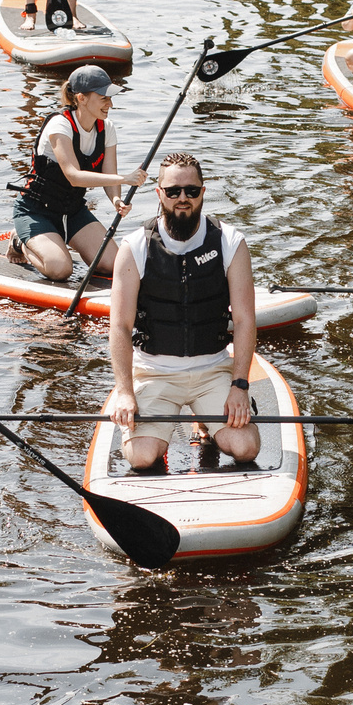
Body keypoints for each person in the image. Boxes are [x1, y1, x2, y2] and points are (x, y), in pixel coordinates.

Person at [103, 152, 260, 474]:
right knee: (142, 457)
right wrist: (124, 393)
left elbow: (245, 321)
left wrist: (239, 386)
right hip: (155, 372)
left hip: (213, 370)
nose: (183, 198)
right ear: (159, 194)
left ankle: (204, 419)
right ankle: (168, 427)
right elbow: (119, 326)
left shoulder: (231, 242)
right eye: (173, 191)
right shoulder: (134, 247)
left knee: (245, 449)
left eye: (191, 190)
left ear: (203, 191)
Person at [12, 64, 146, 279]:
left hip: (73, 211)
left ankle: (57, 241)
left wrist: (117, 200)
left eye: (110, 98)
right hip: (36, 211)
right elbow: (73, 176)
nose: (110, 104)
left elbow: (109, 174)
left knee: (114, 264)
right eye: (104, 98)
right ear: (81, 98)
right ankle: (20, 241)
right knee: (61, 270)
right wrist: (126, 178)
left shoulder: (107, 128)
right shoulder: (59, 125)